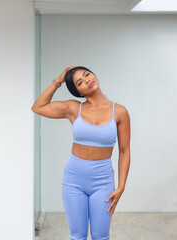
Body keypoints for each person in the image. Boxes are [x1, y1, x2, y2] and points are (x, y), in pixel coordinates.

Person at [31, 65, 131, 240]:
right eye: (80, 82)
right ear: (78, 92)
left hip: (103, 182)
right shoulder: (73, 108)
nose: (87, 80)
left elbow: (124, 151)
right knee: (77, 236)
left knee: (101, 236)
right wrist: (58, 81)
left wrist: (121, 186)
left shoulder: (120, 111)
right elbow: (38, 107)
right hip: (73, 182)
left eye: (87, 75)